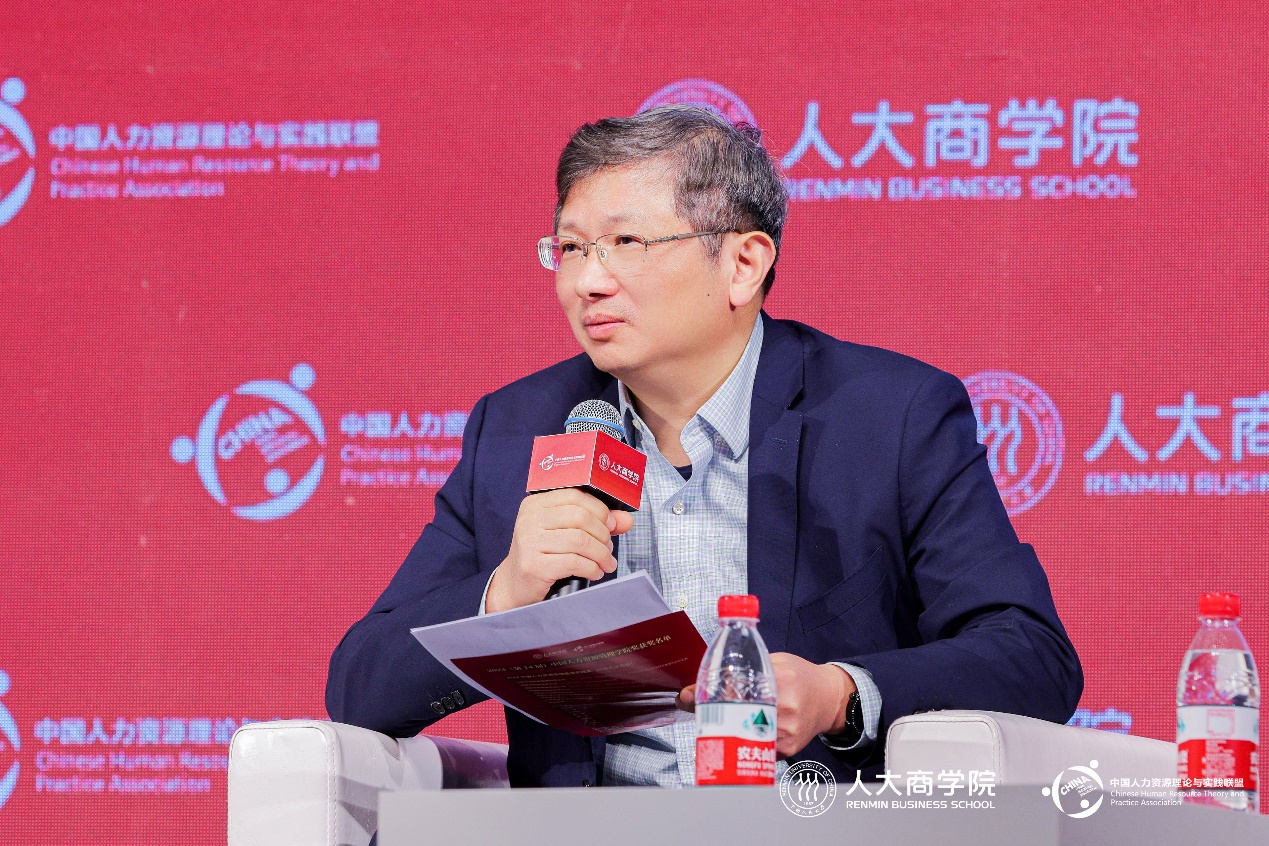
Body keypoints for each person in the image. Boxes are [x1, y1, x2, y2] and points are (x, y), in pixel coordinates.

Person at [326, 105, 1082, 788]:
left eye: (625, 242)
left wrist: (840, 695)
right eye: (571, 247)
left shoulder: (889, 417)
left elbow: (1030, 655)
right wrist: (506, 594)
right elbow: (359, 688)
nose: (588, 281)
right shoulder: (519, 427)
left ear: (743, 264)